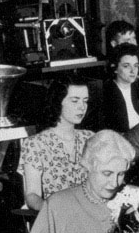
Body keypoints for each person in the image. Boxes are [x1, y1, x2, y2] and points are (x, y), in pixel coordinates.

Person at [26, 130, 137, 233]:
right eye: (107, 173)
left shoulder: (135, 199)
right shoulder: (60, 204)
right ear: (88, 166)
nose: (114, 183)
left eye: (121, 174)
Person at [18, 77, 95, 210]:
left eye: (85, 101)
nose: (82, 107)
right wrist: (53, 211)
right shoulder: (35, 144)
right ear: (58, 102)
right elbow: (32, 195)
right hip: (58, 219)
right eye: (75, 101)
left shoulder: (91, 138)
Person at [101, 43, 139, 133]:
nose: (133, 71)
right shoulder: (107, 93)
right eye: (126, 66)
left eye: (136, 65)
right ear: (115, 68)